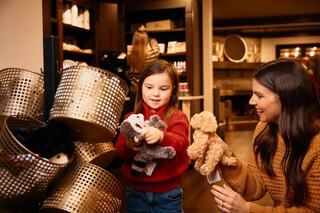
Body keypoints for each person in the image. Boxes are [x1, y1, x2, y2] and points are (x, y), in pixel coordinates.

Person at [211, 58, 320, 212]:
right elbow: (255, 187)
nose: (251, 101)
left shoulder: (316, 144)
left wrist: (248, 210)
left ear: (286, 97)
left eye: (259, 95)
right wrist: (225, 157)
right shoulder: (264, 129)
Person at [115, 59, 190, 213]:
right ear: (141, 86)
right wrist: (130, 145)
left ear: (173, 89)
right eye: (149, 87)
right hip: (135, 192)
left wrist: (162, 136)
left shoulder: (178, 117)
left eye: (163, 89)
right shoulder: (131, 117)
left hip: (168, 194)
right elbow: (120, 151)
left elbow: (181, 142)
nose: (155, 93)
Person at [126, 26, 160, 110]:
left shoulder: (129, 57)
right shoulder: (153, 54)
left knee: (134, 119)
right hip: (148, 93)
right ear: (146, 41)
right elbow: (156, 47)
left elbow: (128, 74)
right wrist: (151, 39)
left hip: (134, 95)